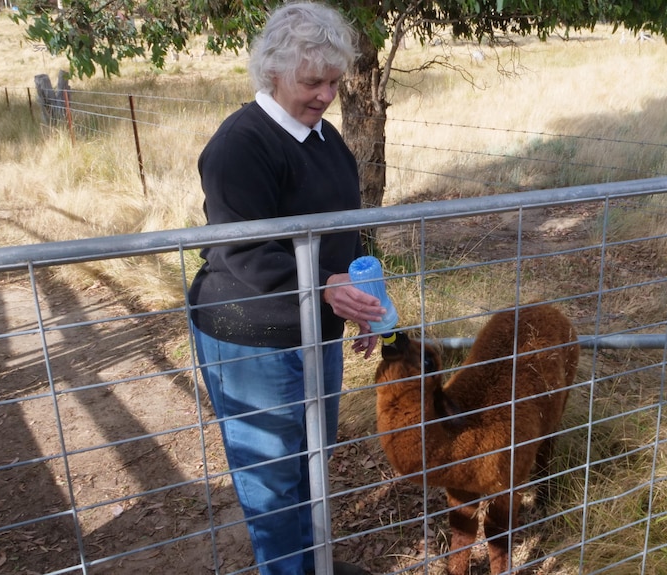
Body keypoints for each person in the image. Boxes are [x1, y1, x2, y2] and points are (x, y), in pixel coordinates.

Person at [187, 3, 384, 574]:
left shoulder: (326, 140)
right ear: (272, 71)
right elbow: (241, 252)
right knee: (272, 478)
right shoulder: (240, 146)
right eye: (312, 81)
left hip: (312, 328)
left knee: (310, 463)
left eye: (333, 82)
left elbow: (339, 242)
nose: (325, 94)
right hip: (250, 336)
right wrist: (327, 289)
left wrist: (359, 299)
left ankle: (311, 563)